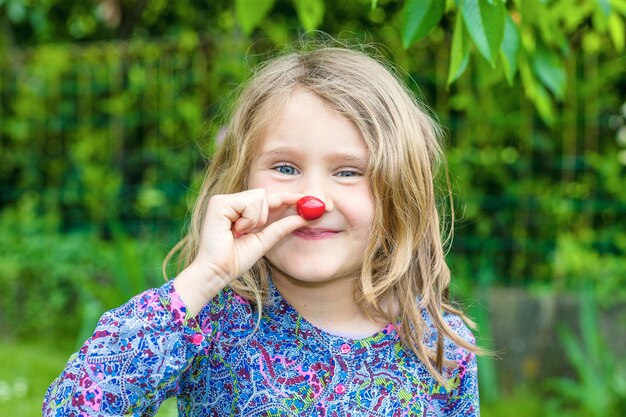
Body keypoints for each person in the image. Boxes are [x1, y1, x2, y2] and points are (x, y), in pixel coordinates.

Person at [43, 43, 480, 416]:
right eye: (285, 167)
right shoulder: (212, 322)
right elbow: (74, 406)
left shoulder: (440, 351)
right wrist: (204, 278)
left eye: (348, 172)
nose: (313, 201)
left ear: (399, 193)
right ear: (242, 181)